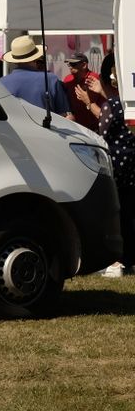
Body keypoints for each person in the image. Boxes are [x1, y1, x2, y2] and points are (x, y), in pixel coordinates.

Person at [79, 68, 135, 274]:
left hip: (118, 162)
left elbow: (103, 130)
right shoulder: (126, 104)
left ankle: (118, 258)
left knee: (117, 210)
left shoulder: (112, 105)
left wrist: (88, 102)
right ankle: (130, 256)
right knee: (130, 209)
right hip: (132, 162)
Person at [0, 35, 73, 119]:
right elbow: (66, 116)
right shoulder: (50, 79)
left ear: (14, 60)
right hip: (46, 131)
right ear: (36, 57)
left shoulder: (1, 83)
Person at [63, 52, 105, 131]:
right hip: (75, 128)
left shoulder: (94, 79)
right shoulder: (67, 79)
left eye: (73, 64)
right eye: (69, 64)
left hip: (94, 128)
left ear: (84, 65)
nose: (70, 67)